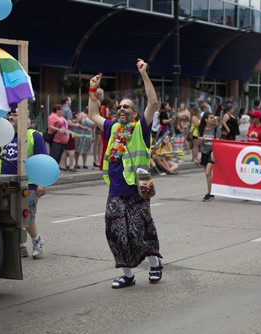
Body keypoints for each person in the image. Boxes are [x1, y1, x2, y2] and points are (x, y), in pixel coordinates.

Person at [87, 59, 162, 289]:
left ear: (134, 112)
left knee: (141, 231)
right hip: (116, 190)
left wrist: (144, 74)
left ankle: (154, 264)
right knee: (116, 232)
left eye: (126, 107)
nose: (121, 109)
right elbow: (92, 114)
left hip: (138, 189)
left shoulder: (141, 127)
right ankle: (127, 275)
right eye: (119, 106)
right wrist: (92, 90)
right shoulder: (112, 128)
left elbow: (154, 102)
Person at [0, 111, 46, 259]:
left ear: (25, 119)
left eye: (16, 115)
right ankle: (20, 246)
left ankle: (37, 241)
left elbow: (42, 159)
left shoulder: (34, 136)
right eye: (11, 115)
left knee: (27, 217)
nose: (12, 117)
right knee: (11, 216)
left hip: (28, 185)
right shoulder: (8, 137)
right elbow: (0, 157)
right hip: (8, 183)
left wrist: (42, 183)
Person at [198, 111, 221, 202]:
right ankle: (210, 192)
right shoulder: (202, 128)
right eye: (211, 118)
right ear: (206, 119)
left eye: (213, 118)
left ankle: (210, 193)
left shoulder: (216, 128)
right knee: (207, 175)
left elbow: (218, 141)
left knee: (208, 172)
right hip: (204, 151)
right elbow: (200, 142)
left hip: (213, 151)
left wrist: (213, 151)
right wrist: (202, 140)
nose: (213, 119)